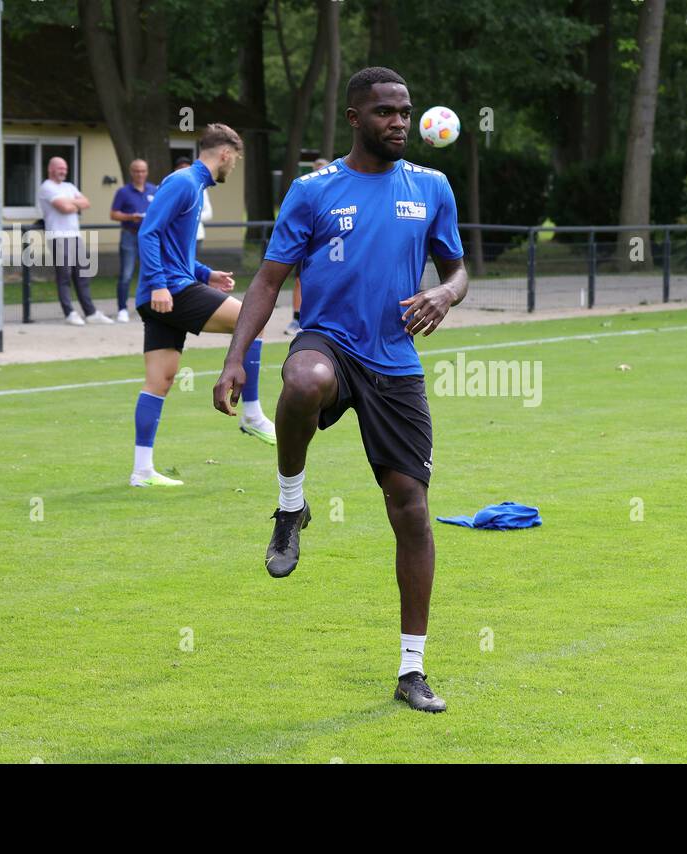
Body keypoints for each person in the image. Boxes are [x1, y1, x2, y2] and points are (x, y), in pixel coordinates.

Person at [213, 68, 468, 713]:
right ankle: (290, 506)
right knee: (303, 379)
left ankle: (412, 670)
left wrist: (443, 292)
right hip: (329, 341)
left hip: (396, 362)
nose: (400, 123)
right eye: (386, 112)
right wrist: (234, 358)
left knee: (409, 508)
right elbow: (267, 282)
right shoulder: (313, 190)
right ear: (355, 117)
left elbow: (459, 269)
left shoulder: (433, 187)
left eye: (406, 112)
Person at [129, 123, 277, 489]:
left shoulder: (192, 186)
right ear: (225, 154)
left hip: (170, 289)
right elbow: (148, 232)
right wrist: (161, 285)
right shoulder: (183, 182)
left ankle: (141, 471)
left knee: (159, 380)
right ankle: (253, 414)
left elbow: (172, 248)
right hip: (170, 291)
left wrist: (206, 273)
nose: (233, 167)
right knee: (253, 320)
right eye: (235, 160)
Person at [38, 157, 113, 326]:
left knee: (82, 275)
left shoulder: (69, 186)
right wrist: (74, 203)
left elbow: (86, 203)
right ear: (51, 169)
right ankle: (69, 313)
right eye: (60, 168)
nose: (63, 171)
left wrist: (70, 203)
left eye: (65, 168)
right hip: (58, 236)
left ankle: (90, 313)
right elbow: (64, 209)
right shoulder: (47, 187)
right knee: (64, 275)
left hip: (75, 235)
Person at [284, 157, 329, 335]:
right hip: (306, 245)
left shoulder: (336, 193)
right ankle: (296, 319)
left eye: (323, 169)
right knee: (299, 281)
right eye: (317, 169)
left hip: (328, 248)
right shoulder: (307, 191)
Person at [109, 158, 157, 323]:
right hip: (129, 234)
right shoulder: (123, 192)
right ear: (131, 172)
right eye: (137, 171)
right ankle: (122, 309)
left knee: (151, 272)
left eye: (143, 171)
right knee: (126, 274)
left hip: (148, 237)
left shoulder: (153, 189)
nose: (140, 174)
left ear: (147, 172)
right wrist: (130, 216)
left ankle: (150, 307)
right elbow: (113, 214)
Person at [173, 156, 213, 256]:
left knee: (193, 266)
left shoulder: (201, 188)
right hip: (175, 236)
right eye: (181, 167)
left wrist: (189, 216)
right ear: (176, 170)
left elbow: (209, 213)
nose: (185, 170)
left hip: (196, 236)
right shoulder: (171, 187)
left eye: (187, 168)